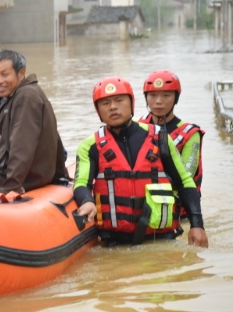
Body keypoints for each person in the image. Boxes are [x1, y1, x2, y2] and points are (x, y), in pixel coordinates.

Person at [74, 77, 208, 247]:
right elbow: (81, 183)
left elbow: (185, 182)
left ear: (132, 103)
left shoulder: (161, 139)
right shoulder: (89, 146)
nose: (113, 106)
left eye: (119, 100)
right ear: (98, 110)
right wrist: (86, 201)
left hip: (161, 240)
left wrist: (197, 225)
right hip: (114, 242)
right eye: (105, 103)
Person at [0, 50, 68, 194]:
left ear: (21, 73)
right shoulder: (16, 96)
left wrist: (11, 187)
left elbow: (21, 146)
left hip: (17, 179)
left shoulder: (26, 96)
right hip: (9, 173)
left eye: (5, 74)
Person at [139, 70, 204, 194]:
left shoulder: (190, 134)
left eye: (166, 95)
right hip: (146, 205)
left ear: (176, 98)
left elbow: (186, 176)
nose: (158, 101)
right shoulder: (138, 125)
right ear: (146, 97)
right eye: (152, 95)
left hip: (177, 206)